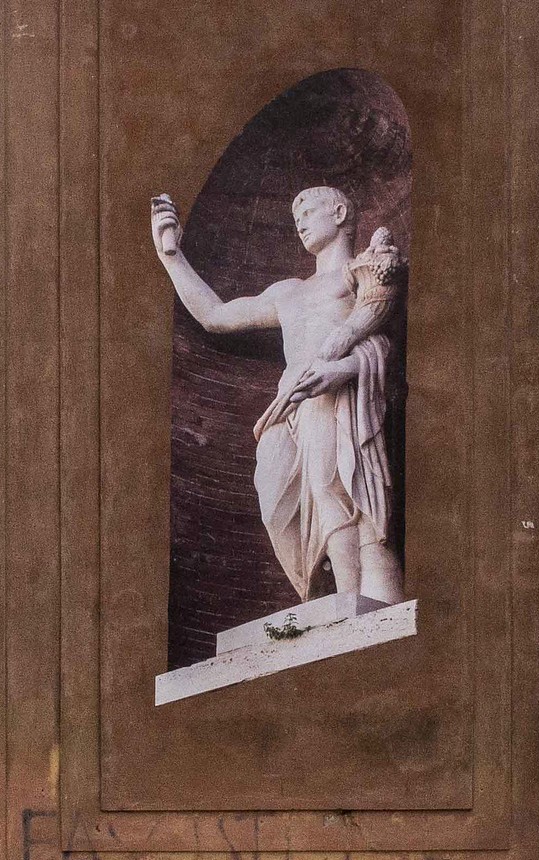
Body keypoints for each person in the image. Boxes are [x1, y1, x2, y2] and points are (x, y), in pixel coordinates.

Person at [149, 186, 405, 605]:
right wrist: (171, 257)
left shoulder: (360, 272)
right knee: (274, 501)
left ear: (339, 212)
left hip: (335, 396)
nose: (299, 223)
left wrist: (340, 370)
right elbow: (215, 316)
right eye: (295, 216)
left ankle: (351, 599)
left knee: (333, 489)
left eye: (307, 211)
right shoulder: (288, 291)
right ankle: (320, 593)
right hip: (288, 407)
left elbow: (382, 345)